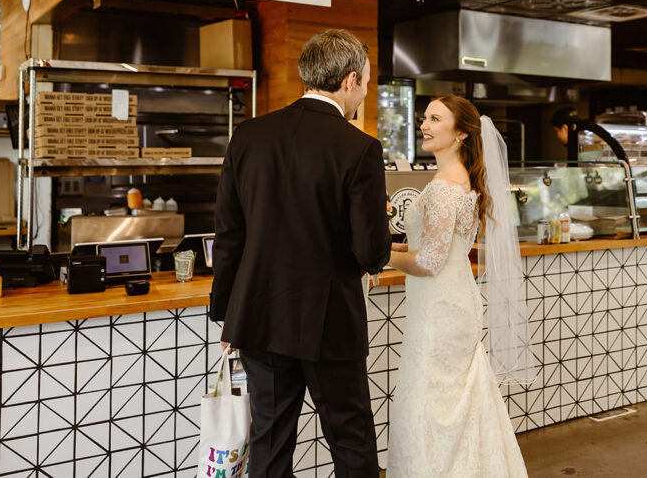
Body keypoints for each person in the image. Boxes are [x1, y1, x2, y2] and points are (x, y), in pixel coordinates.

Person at [211, 29, 392, 478]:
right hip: (328, 321)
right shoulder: (359, 147)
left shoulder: (249, 136)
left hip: (258, 316)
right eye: (366, 82)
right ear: (349, 80)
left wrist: (226, 312)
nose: (364, 91)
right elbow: (370, 251)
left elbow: (229, 234)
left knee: (269, 443)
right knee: (351, 440)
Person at [386, 95, 533, 477]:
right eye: (424, 118)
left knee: (429, 399)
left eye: (435, 119)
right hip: (451, 302)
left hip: (439, 309)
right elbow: (442, 247)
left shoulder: (443, 188)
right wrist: (396, 246)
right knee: (450, 399)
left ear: (461, 134)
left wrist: (378, 257)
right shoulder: (459, 182)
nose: (424, 125)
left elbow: (429, 262)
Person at [549, 106, 628, 162]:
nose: (557, 135)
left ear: (565, 128)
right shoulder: (585, 140)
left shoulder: (585, 145)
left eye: (557, 131)